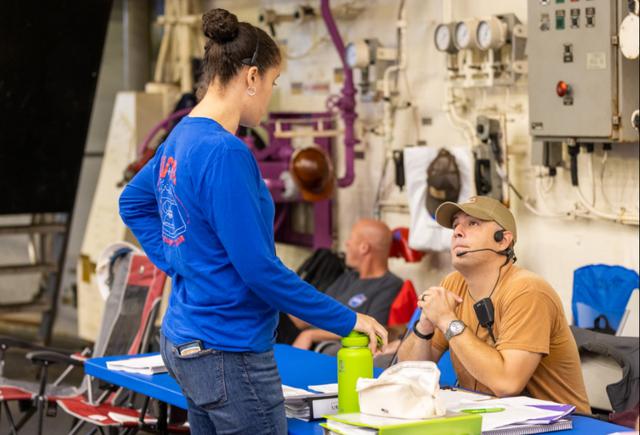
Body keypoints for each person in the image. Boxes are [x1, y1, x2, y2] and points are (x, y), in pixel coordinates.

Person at [118, 9, 387, 435]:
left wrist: (179, 259)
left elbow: (133, 203)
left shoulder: (182, 137)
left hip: (185, 339)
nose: (271, 95)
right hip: (229, 351)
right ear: (251, 77)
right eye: (273, 83)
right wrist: (347, 319)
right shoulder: (226, 153)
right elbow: (260, 271)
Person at [397, 196, 590, 413]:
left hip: (559, 425)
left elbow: (507, 384)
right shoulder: (453, 284)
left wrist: (446, 319)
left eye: (473, 223)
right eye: (455, 225)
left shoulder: (527, 291)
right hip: (491, 418)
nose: (457, 232)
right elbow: (409, 371)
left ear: (502, 240)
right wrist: (425, 326)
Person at [287, 219, 403, 350]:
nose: (347, 244)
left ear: (364, 248)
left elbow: (373, 331)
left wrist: (310, 335)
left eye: (351, 239)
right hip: (305, 341)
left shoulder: (390, 285)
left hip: (333, 348)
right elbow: (318, 311)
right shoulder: (349, 276)